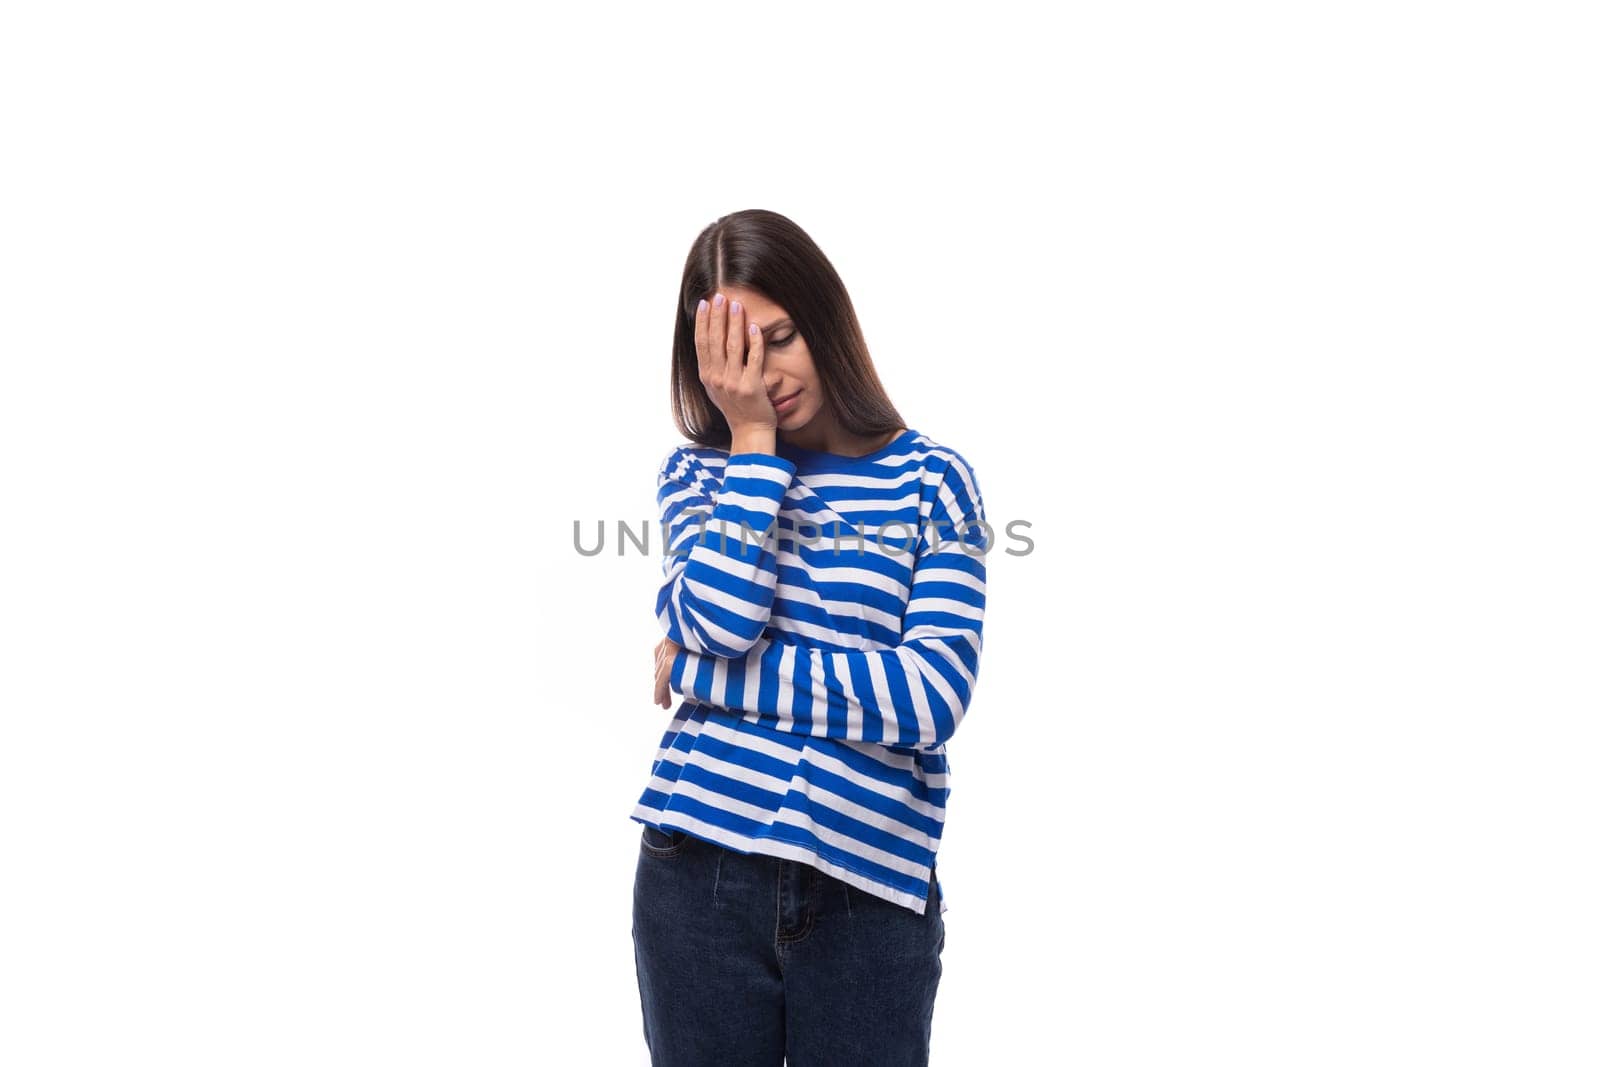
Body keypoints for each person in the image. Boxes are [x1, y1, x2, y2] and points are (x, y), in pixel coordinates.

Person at [629, 209, 989, 1066]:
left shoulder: (934, 480)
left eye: (781, 338)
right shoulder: (700, 475)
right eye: (737, 353)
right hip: (695, 870)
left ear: (825, 318)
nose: (767, 374)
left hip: (870, 887)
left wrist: (712, 680)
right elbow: (719, 618)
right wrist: (753, 443)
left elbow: (930, 696)